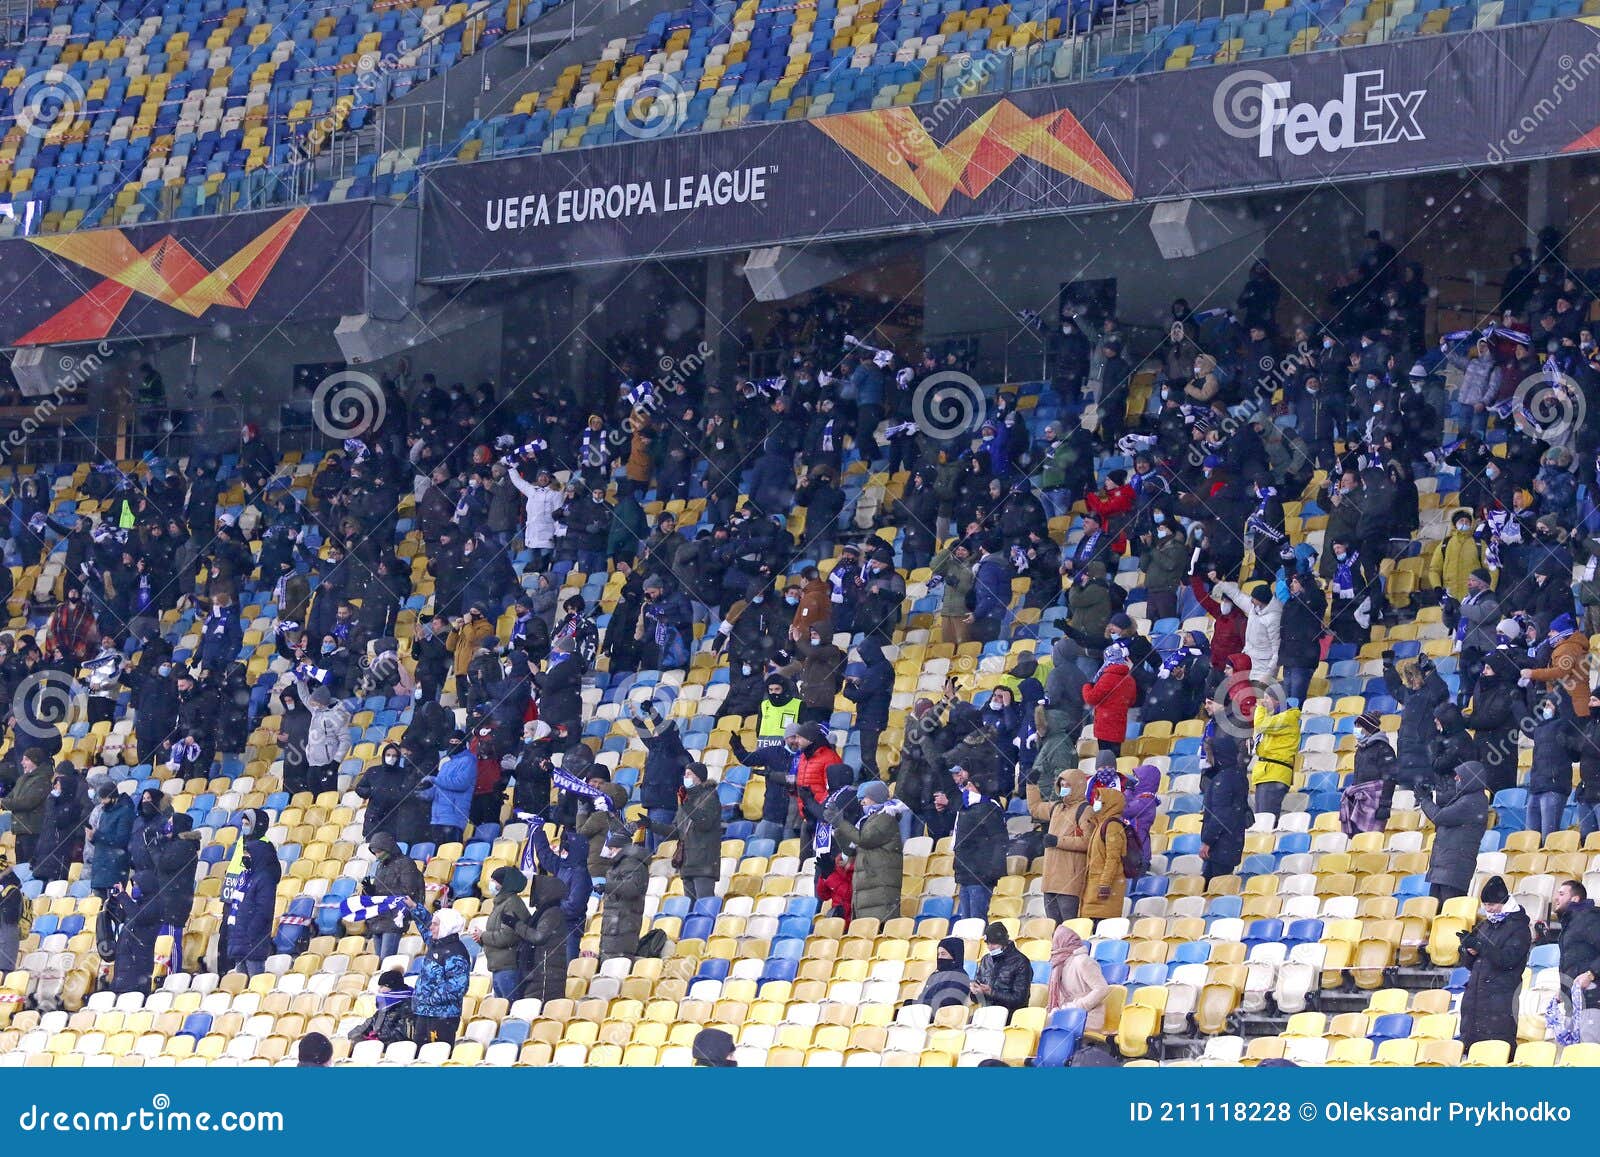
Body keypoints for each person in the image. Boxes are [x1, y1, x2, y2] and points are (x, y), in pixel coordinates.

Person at [1458, 875, 1531, 1050]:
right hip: (1476, 999)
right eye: (1486, 906)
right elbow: (1470, 964)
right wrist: (1466, 950)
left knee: (1496, 1049)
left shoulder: (1519, 928)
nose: (1488, 910)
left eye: (1492, 905)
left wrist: (1481, 946)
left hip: (1500, 1000)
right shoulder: (1485, 925)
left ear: (1504, 902)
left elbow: (1507, 960)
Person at [829, 780, 903, 925]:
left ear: (875, 798)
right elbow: (851, 849)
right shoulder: (870, 820)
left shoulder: (885, 818)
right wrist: (838, 829)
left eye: (865, 798)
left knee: (877, 932)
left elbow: (865, 839)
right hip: (868, 890)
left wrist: (841, 822)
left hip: (880, 891)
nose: (862, 802)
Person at [647, 761, 722, 901]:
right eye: (685, 774)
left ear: (699, 777)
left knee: (703, 906)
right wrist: (651, 825)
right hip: (687, 864)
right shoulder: (686, 801)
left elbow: (704, 823)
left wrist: (686, 804)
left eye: (689, 774)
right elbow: (676, 831)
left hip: (703, 863)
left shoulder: (710, 797)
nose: (685, 777)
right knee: (691, 910)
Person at [1537, 880, 1600, 1042]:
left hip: (1592, 1002)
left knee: (1587, 1056)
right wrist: (1563, 990)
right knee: (1573, 1057)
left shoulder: (1589, 918)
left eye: (1561, 894)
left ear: (1575, 899)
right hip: (1573, 1005)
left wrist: (1591, 974)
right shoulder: (1570, 924)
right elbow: (1575, 962)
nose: (1556, 898)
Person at [1419, 760, 1490, 903]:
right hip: (1445, 868)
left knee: (1449, 913)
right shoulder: (1466, 798)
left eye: (1459, 776)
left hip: (1454, 870)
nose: (1456, 779)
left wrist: (1424, 800)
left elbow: (1440, 817)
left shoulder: (1472, 801)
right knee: (1435, 913)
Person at [1027, 768, 1089, 923]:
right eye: (1061, 785)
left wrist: (1058, 841)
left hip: (1070, 881)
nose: (1063, 788)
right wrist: (1031, 785)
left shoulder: (1085, 810)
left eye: (1067, 785)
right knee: (1054, 927)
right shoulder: (1056, 807)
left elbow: (1087, 841)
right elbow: (1035, 809)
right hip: (1050, 880)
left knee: (1069, 926)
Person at [476, 866, 538, 1000]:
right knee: (501, 1010)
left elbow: (507, 936)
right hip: (499, 967)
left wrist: (483, 936)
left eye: (494, 880)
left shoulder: (512, 904)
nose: (491, 883)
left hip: (509, 967)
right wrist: (481, 938)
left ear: (503, 884)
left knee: (509, 1008)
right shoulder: (501, 903)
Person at [413, 907, 471, 1044]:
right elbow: (424, 925)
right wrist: (414, 908)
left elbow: (458, 986)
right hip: (425, 1012)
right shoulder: (436, 943)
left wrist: (429, 998)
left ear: (446, 925)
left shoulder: (456, 952)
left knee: (435, 1056)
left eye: (436, 924)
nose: (431, 927)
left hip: (443, 1016)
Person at [364, 832, 425, 961]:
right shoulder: (381, 866)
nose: (377, 855)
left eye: (379, 851)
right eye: (375, 852)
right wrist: (370, 890)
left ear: (388, 848)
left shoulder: (406, 863)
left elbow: (408, 891)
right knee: (379, 962)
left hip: (395, 916)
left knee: (387, 960)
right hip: (379, 917)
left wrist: (380, 894)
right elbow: (380, 891)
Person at [225, 840, 281, 975]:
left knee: (254, 985)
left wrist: (249, 933)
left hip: (253, 943)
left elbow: (264, 911)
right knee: (241, 986)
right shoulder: (245, 877)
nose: (245, 858)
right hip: (240, 942)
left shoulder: (265, 879)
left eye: (248, 855)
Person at [1044, 926, 1109, 1033]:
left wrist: (1078, 1006)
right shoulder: (1059, 965)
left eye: (1055, 942)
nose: (1053, 947)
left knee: (1053, 1027)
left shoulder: (1083, 961)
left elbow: (1102, 989)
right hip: (1066, 1012)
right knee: (1039, 1025)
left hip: (1088, 1015)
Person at [1080, 782, 1128, 925]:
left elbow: (1112, 858)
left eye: (1100, 800)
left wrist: (1105, 883)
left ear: (1110, 803)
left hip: (1104, 890)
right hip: (1094, 887)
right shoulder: (1100, 824)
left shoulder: (1112, 826)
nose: (1096, 802)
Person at [1247, 688, 1300, 818]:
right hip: (1266, 772)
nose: (1264, 702)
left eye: (1267, 698)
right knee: (1260, 818)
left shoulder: (1287, 717)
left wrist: (1259, 707)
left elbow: (1260, 725)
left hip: (1275, 773)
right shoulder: (1275, 718)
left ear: (1278, 700)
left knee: (1265, 818)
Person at [1342, 713, 1397, 836]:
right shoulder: (1360, 749)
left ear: (1368, 729)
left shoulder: (1384, 749)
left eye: (1359, 727)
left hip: (1375, 804)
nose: (1356, 731)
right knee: (1356, 840)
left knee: (1371, 839)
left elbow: (1390, 779)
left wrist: (1384, 806)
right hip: (1359, 802)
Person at [971, 922, 1032, 1015]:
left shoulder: (1021, 962)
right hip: (986, 1012)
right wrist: (975, 991)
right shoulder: (986, 960)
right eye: (987, 944)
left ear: (1004, 942)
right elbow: (976, 998)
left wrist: (991, 992)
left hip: (1009, 1015)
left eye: (993, 944)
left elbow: (1019, 1000)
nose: (990, 947)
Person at [347, 968, 417, 1046]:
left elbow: (402, 1036)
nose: (379, 990)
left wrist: (377, 1039)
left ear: (392, 987)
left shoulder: (408, 1007)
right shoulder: (381, 1011)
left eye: (382, 987)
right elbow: (358, 1030)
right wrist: (361, 1037)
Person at [87, 783, 134, 897]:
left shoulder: (125, 812)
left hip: (115, 868)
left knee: (112, 908)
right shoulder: (104, 812)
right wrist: (92, 837)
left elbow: (121, 840)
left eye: (105, 798)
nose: (102, 801)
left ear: (113, 797)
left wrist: (97, 835)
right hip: (100, 866)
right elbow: (103, 837)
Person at [912, 937, 972, 1011]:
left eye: (943, 954)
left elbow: (949, 1002)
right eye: (938, 954)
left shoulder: (961, 977)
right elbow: (922, 997)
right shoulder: (934, 975)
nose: (939, 957)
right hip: (924, 1013)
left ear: (954, 955)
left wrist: (921, 1004)